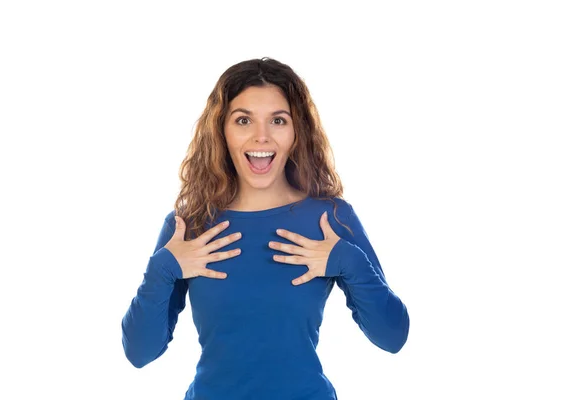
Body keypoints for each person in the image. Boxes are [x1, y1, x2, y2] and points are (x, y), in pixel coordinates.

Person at [121, 57, 410, 400]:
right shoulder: (190, 225)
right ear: (222, 131)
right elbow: (140, 353)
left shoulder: (329, 219)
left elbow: (392, 337)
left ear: (296, 131)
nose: (262, 136)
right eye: (243, 120)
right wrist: (163, 268)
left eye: (278, 120)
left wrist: (349, 260)